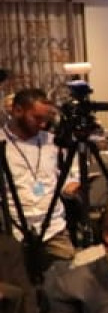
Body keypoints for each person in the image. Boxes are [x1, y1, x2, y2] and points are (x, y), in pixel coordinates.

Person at [1, 88, 81, 276]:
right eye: (37, 118)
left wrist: (72, 184)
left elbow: (69, 172)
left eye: (46, 119)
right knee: (17, 286)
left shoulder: (53, 142)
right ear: (18, 111)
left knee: (69, 279)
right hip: (14, 227)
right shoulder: (2, 142)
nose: (43, 124)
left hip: (53, 226)